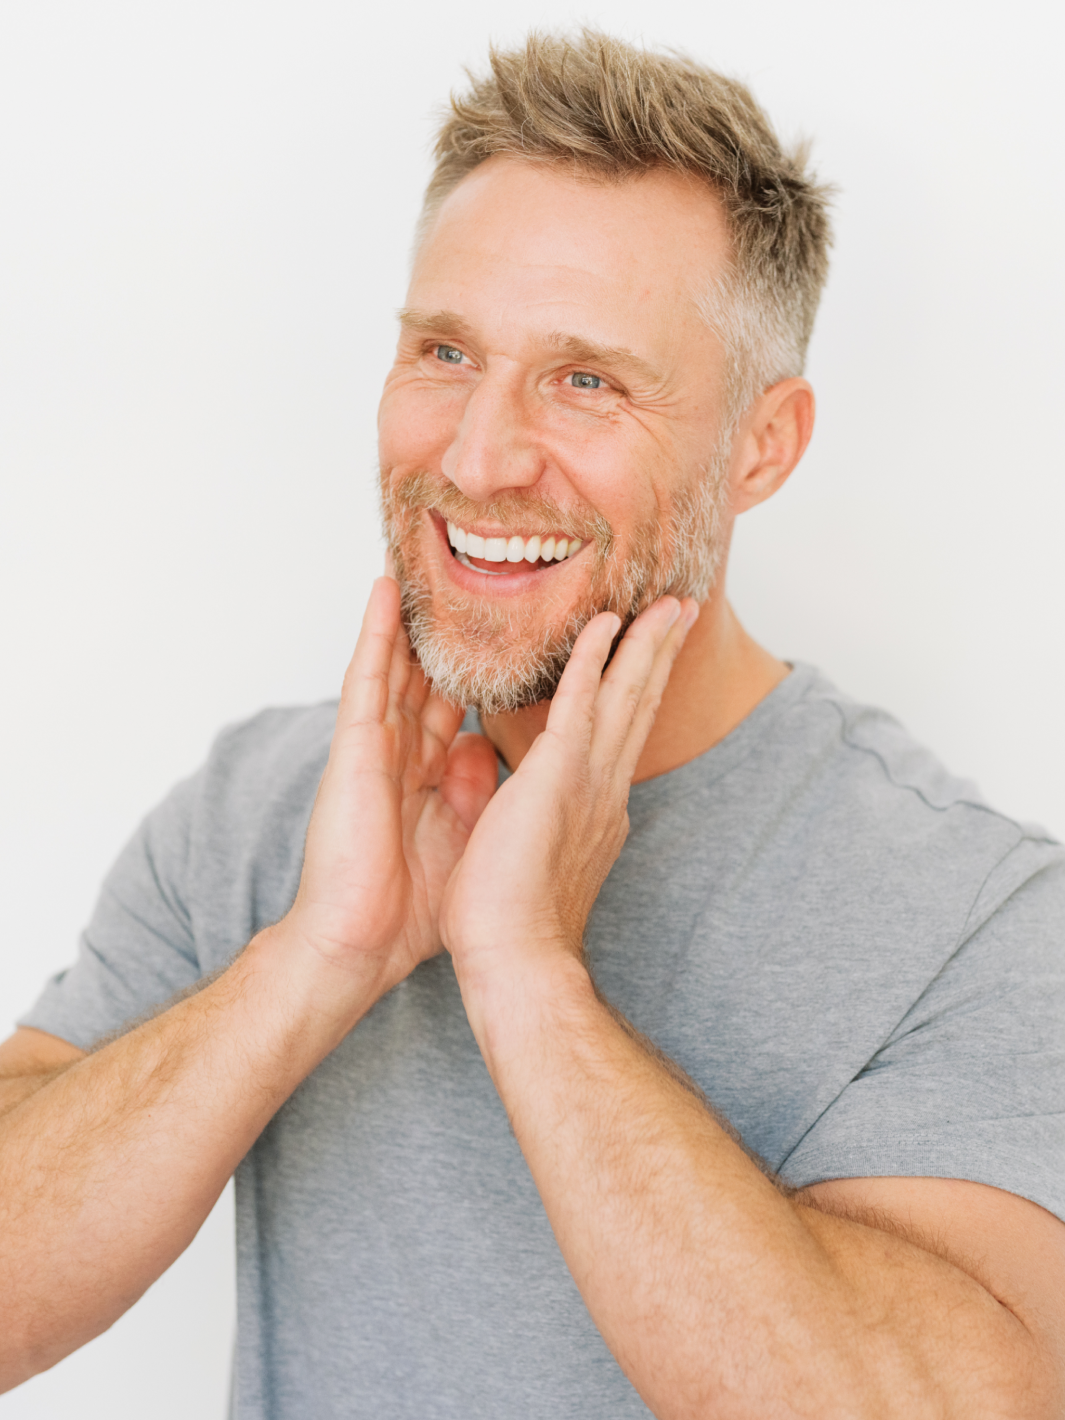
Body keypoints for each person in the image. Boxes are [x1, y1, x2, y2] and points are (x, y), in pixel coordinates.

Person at [1, 28, 1062, 1418]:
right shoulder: (258, 807)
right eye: (445, 351)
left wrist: (526, 974)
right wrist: (319, 956)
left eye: (587, 380)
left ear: (763, 445)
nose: (478, 456)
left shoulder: (979, 914)